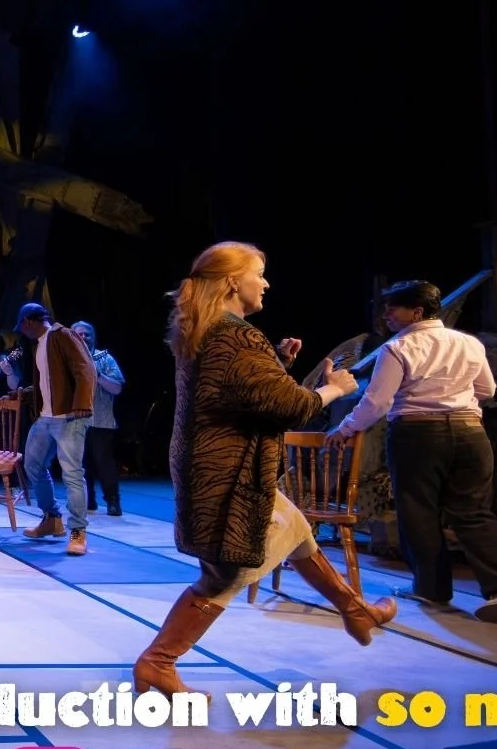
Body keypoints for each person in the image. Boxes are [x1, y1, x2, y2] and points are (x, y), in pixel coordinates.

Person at [133, 242, 396, 698]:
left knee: (296, 528)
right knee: (225, 573)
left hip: (214, 465)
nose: (266, 283)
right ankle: (158, 662)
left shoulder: (209, 330)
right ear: (233, 281)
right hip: (230, 472)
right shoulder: (234, 335)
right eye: (259, 273)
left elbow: (242, 389)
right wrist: (335, 388)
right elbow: (289, 407)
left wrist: (277, 361)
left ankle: (355, 610)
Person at [328, 281, 497, 622]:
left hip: (418, 434)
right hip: (470, 432)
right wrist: (453, 399)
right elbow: (487, 389)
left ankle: (431, 588)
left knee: (418, 511)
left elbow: (377, 402)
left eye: (393, 308)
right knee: (473, 511)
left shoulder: (398, 347)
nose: (386, 315)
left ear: (417, 312)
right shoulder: (468, 343)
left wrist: (345, 428)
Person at [16, 304, 98, 555]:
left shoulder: (63, 335)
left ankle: (78, 532)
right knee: (32, 465)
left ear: (30, 321)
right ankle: (52, 518)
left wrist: (82, 404)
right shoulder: (40, 343)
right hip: (46, 418)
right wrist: (24, 394)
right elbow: (50, 382)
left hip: (69, 417)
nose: (22, 332)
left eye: (22, 326)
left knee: (72, 474)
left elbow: (86, 369)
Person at [72, 321, 126, 517]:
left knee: (104, 462)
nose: (83, 337)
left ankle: (112, 501)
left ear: (93, 337)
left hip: (100, 420)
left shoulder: (105, 358)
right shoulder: (67, 359)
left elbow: (117, 388)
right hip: (74, 420)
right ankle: (88, 500)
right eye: (79, 334)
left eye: (87, 334)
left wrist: (98, 375)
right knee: (80, 463)